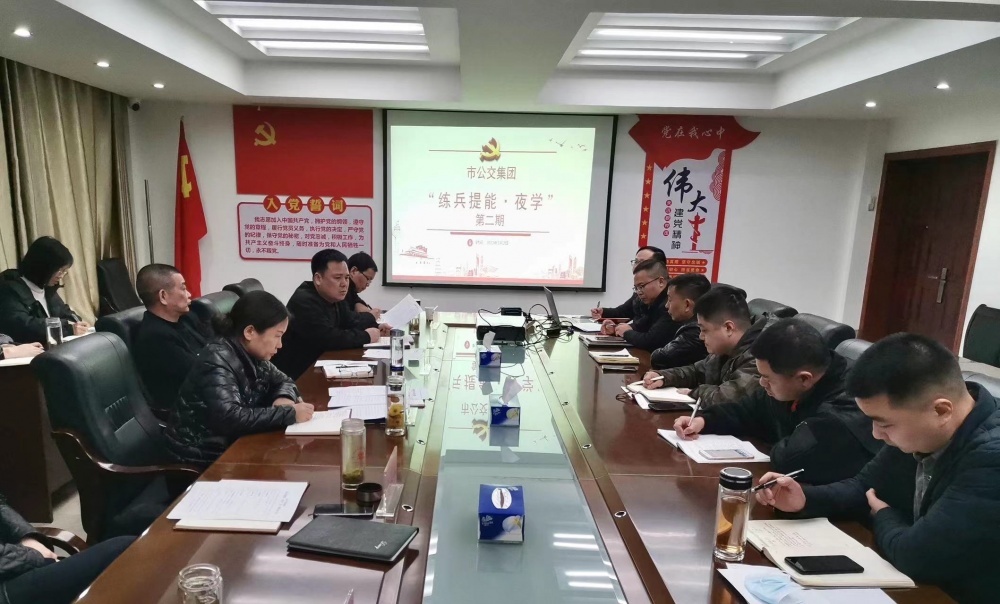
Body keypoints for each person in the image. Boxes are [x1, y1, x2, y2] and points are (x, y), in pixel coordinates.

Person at [756, 334, 1000, 604]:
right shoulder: (925, 430)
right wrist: (805, 498)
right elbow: (865, 486)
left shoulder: (991, 458)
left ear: (941, 411)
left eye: (884, 424)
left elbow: (916, 556)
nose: (876, 434)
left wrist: (883, 514)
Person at [674, 318, 882, 484]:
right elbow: (751, 409)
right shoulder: (795, 382)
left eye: (768, 378)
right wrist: (705, 420)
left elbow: (790, 459)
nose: (762, 383)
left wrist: (774, 434)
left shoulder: (847, 404)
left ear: (804, 379)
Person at [165, 290, 315, 467]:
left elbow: (284, 380)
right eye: (277, 335)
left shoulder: (251, 352)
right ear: (250, 332)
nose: (280, 345)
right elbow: (230, 418)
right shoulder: (217, 360)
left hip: (230, 443)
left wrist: (283, 397)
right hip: (200, 455)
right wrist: (289, 413)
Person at [271, 249, 390, 380]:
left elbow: (350, 320)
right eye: (337, 278)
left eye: (347, 278)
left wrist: (376, 327)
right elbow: (329, 338)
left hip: (320, 366)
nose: (344, 284)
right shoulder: (304, 301)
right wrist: (366, 336)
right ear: (318, 279)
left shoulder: (334, 298)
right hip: (296, 376)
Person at [642, 285, 769, 406]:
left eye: (704, 330)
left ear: (728, 328)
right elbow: (696, 371)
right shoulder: (724, 349)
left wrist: (694, 392)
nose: (701, 337)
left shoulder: (760, 355)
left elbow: (728, 398)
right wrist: (663, 377)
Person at [0, 492, 134, 604]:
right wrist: (35, 557)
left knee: (128, 553)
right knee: (124, 551)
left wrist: (27, 536)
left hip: (12, 557)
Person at [132, 264, 210, 418]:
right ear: (163, 296)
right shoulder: (155, 337)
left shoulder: (186, 318)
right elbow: (202, 374)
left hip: (211, 398)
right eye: (183, 288)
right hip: (189, 413)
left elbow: (215, 347)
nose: (189, 294)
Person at [0, 236, 90, 343]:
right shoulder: (9, 289)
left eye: (65, 271)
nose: (61, 276)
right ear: (44, 266)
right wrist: (67, 328)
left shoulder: (48, 289)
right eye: (60, 271)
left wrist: (77, 323)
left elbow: (66, 313)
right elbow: (23, 326)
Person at [600, 259, 680, 351]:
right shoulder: (651, 301)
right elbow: (642, 326)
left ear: (661, 282)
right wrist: (615, 328)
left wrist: (626, 333)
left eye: (641, 286)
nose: (639, 292)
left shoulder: (671, 304)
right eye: (636, 288)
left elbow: (651, 341)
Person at [650, 272, 710, 370]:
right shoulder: (692, 324)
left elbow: (659, 358)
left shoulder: (694, 332)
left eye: (670, 300)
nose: (666, 305)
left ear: (687, 304)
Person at [590, 246, 666, 321]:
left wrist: (629, 328)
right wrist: (603, 312)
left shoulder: (668, 298)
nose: (637, 266)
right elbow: (624, 312)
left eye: (642, 262)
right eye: (636, 261)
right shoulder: (639, 294)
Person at [346, 252, 381, 319]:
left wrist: (358, 304)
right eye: (368, 279)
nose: (368, 284)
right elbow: (348, 319)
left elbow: (355, 299)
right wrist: (370, 316)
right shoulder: (341, 289)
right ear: (354, 271)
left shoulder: (351, 289)